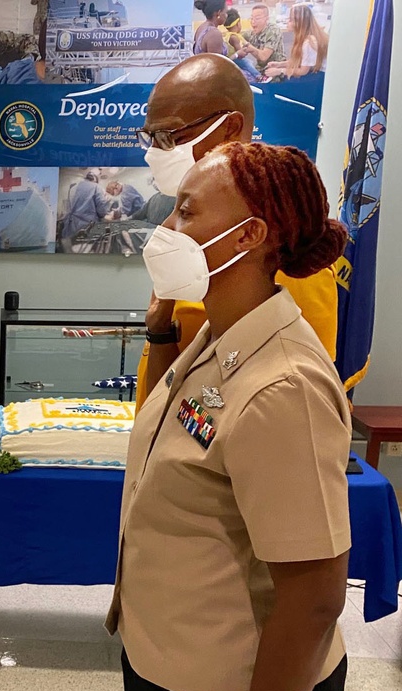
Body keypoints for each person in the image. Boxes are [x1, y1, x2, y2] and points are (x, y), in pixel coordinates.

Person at [111, 141, 350, 691]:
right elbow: (170, 441)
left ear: (249, 235)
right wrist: (160, 328)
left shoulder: (285, 386)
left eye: (186, 209)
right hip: (171, 673)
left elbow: (314, 598)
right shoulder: (221, 335)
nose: (168, 225)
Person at [133, 53, 338, 409]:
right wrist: (159, 328)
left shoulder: (280, 244)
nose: (155, 152)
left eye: (169, 136)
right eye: (149, 137)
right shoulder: (191, 234)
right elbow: (168, 396)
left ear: (228, 129)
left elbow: (292, 402)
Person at [265, 3, 329, 79]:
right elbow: (299, 61)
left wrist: (280, 71)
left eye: (290, 20)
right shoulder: (305, 38)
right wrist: (279, 64)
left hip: (318, 78)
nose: (287, 22)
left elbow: (303, 71)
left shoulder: (308, 43)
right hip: (314, 74)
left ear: (299, 23)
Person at [62, 169, 113, 242]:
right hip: (87, 228)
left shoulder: (73, 187)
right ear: (95, 180)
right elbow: (102, 211)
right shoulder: (96, 187)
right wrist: (107, 201)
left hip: (70, 227)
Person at [237, 3, 286, 74]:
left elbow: (264, 57)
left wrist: (250, 48)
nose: (253, 22)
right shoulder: (251, 33)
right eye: (251, 18)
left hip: (276, 70)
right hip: (260, 69)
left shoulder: (273, 31)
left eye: (257, 18)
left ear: (267, 19)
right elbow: (238, 37)